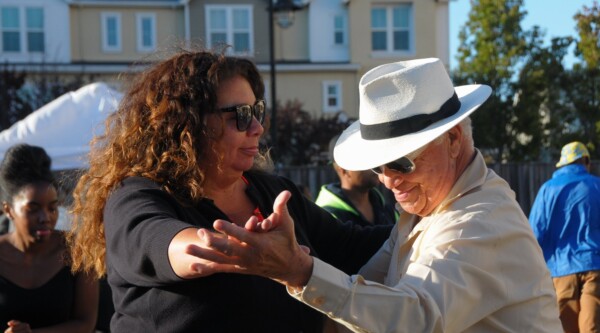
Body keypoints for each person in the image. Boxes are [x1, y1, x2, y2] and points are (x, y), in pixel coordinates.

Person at [192, 57, 563, 332]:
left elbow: (415, 317)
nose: (387, 180)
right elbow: (367, 294)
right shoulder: (428, 210)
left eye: (400, 163)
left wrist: (297, 270)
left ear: (453, 140)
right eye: (378, 167)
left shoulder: (479, 220)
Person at [66, 49, 391, 333]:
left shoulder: (274, 192)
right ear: (187, 124)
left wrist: (432, 217)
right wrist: (240, 251)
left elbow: (355, 247)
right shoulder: (137, 196)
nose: (257, 128)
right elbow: (164, 245)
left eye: (257, 111)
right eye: (241, 115)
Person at [0, 143, 98, 332]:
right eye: (33, 209)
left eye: (52, 208)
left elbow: (86, 323)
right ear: (8, 210)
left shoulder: (77, 249)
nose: (46, 218)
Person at [529, 141, 600, 332]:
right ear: (585, 161)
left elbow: (534, 234)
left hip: (560, 272)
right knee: (591, 327)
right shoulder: (597, 186)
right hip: (595, 268)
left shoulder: (547, 190)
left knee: (563, 328)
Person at [315, 134, 397, 227]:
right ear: (344, 170)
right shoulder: (328, 217)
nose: (376, 165)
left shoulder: (385, 207)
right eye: (366, 160)